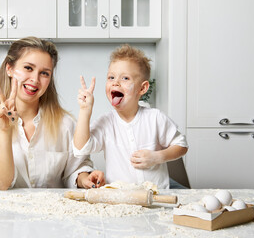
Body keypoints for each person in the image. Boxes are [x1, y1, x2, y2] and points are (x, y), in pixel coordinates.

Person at [0, 37, 104, 190]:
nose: (35, 79)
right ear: (10, 69)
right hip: (3, 213)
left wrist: (85, 179)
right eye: (28, 68)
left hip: (51, 212)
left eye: (44, 73)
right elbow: (2, 183)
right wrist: (4, 131)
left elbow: (75, 170)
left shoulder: (66, 124)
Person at [73, 44, 188, 189]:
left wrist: (157, 157)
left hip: (157, 197)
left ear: (142, 88)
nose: (115, 82)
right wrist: (85, 110)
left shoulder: (155, 118)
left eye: (125, 78)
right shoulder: (106, 122)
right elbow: (80, 149)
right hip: (120, 199)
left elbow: (182, 145)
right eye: (111, 77)